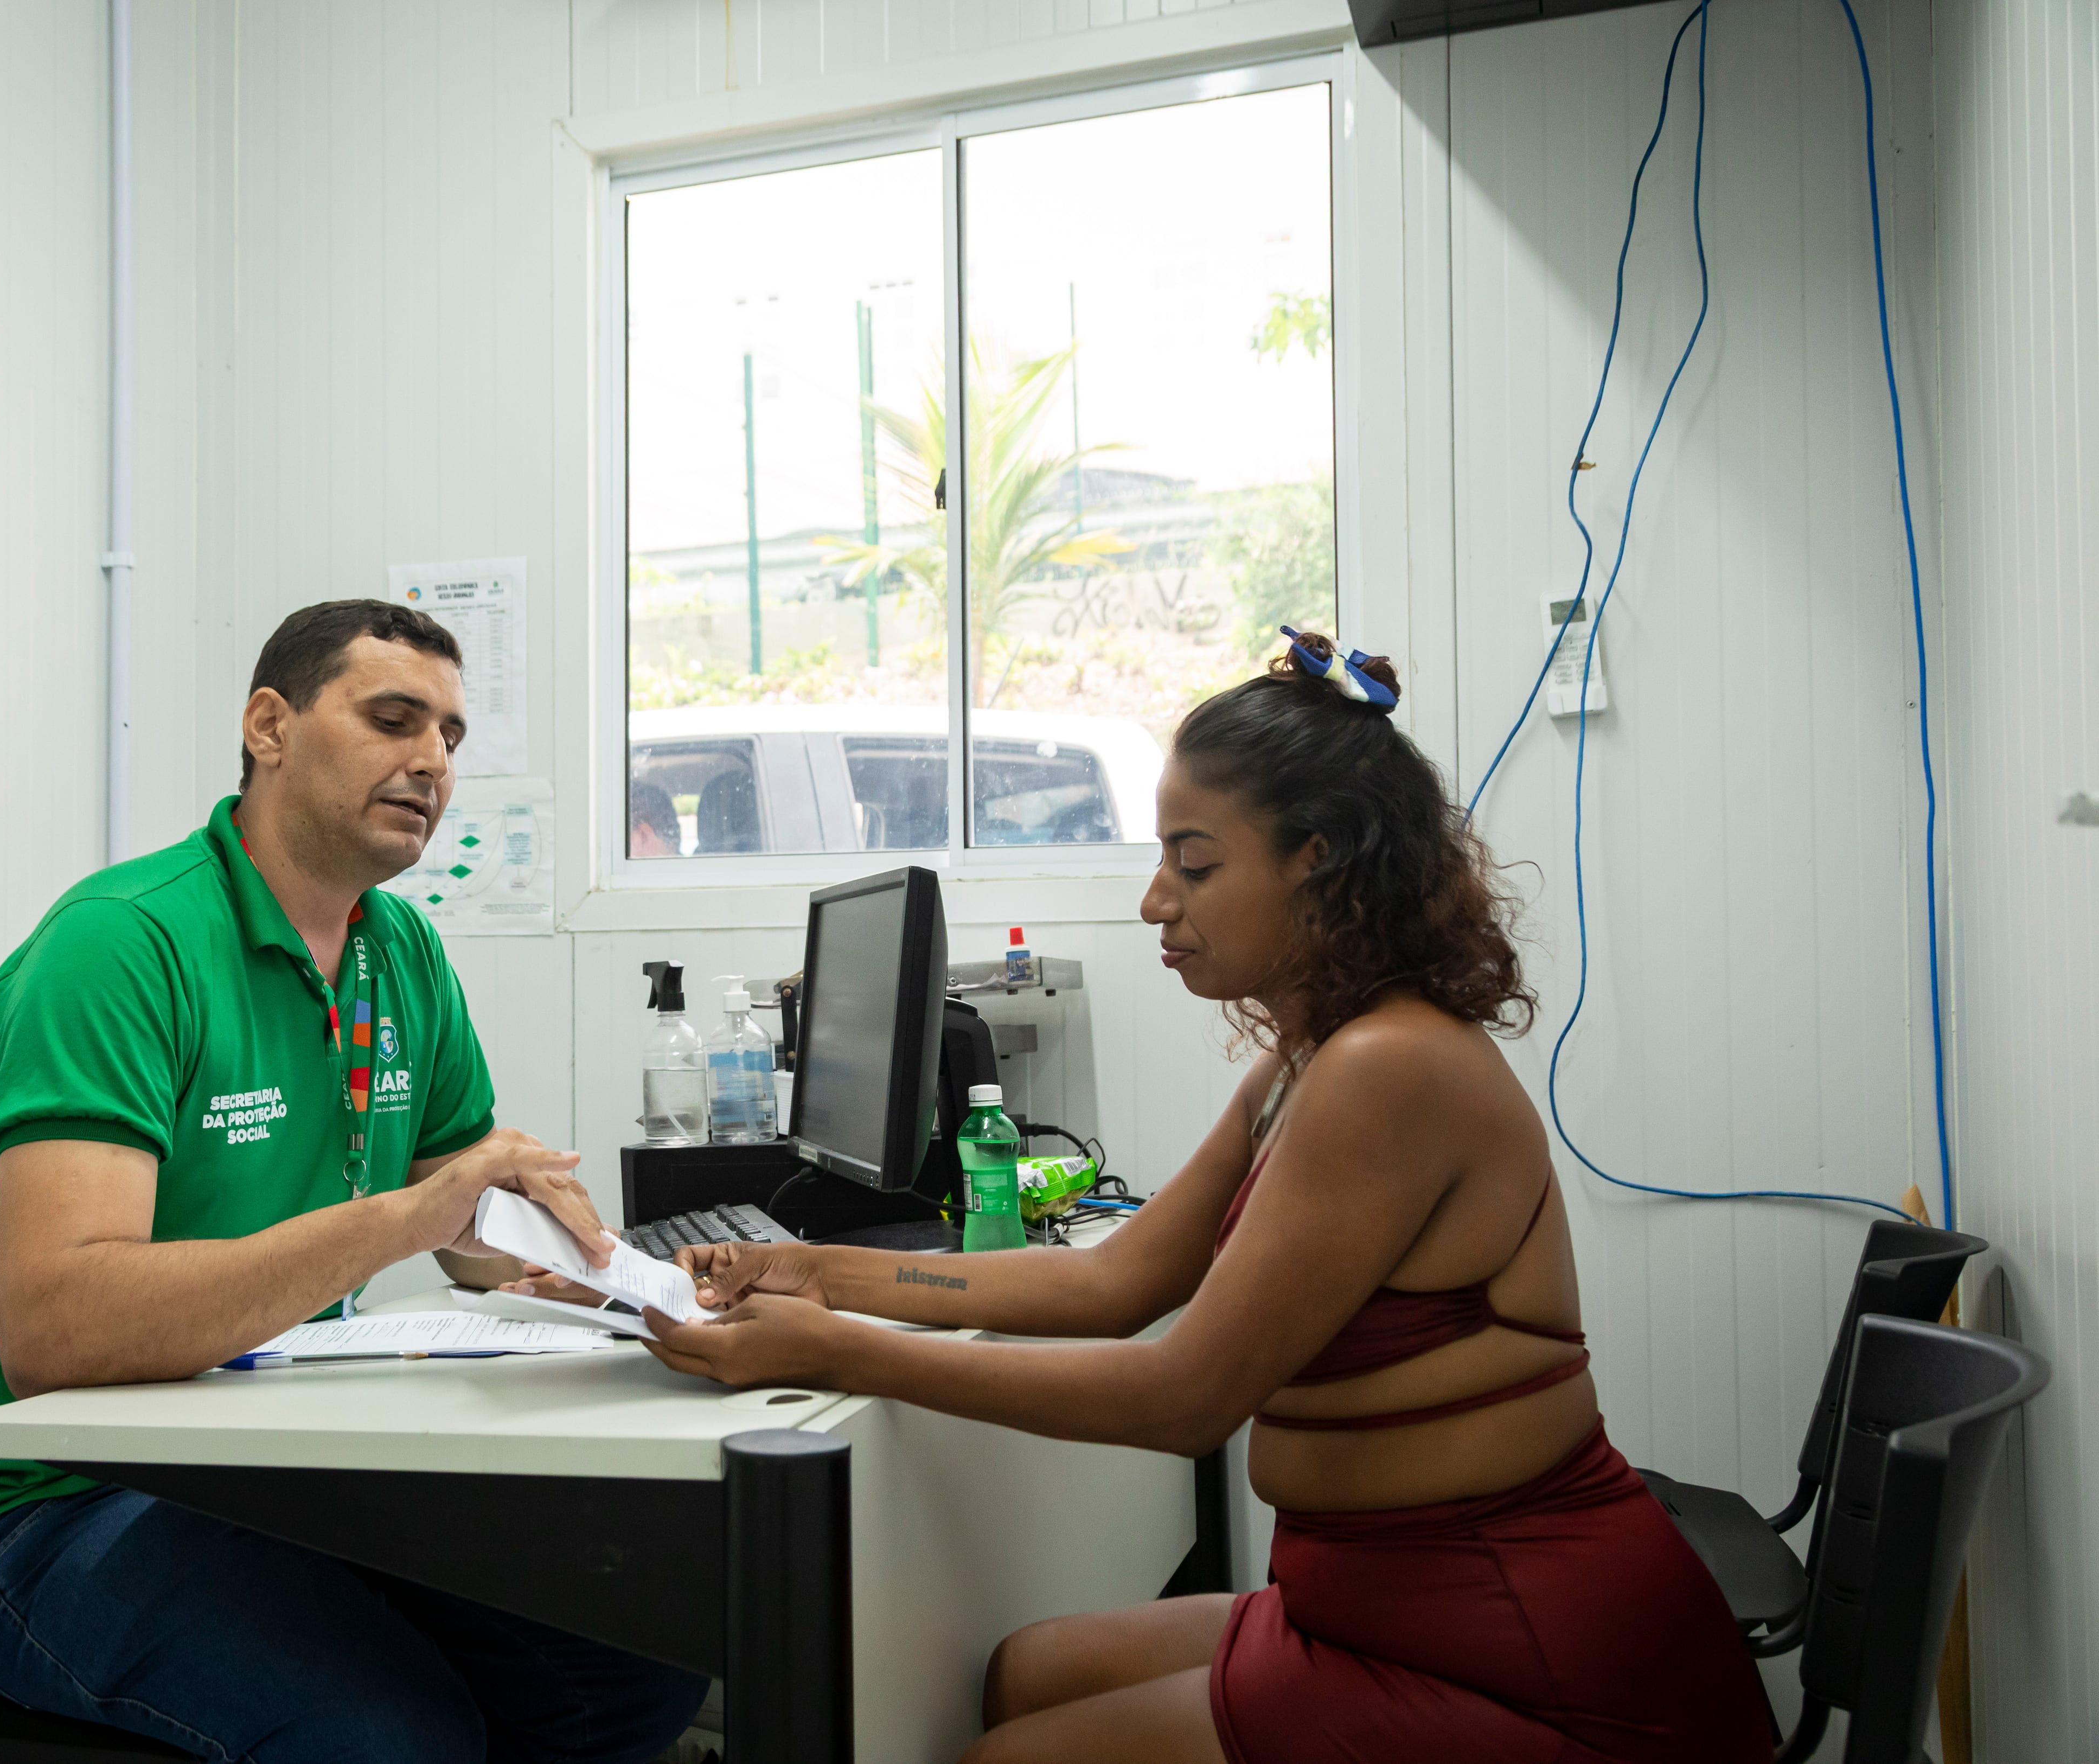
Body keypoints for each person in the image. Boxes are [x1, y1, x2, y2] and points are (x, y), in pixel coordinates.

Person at [635, 632, 1774, 1763]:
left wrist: (833, 1352)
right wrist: (817, 1272)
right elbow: (1111, 1278)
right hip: (1372, 1598)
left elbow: (1185, 1398)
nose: (1152, 900)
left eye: (1194, 862)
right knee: (1016, 1673)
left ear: (1317, 862)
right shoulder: (1306, 1061)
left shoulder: (1389, 1069)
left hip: (1520, 1649)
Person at [0, 598, 708, 1764]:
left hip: (268, 1469)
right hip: (56, 1503)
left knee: (631, 1672)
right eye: (393, 718)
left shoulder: (401, 949)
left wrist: (589, 1263)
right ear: (270, 726)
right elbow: (55, 1329)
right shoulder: (120, 943)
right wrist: (403, 1216)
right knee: (390, 1739)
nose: (431, 759)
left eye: (450, 736)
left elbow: (462, 1203)